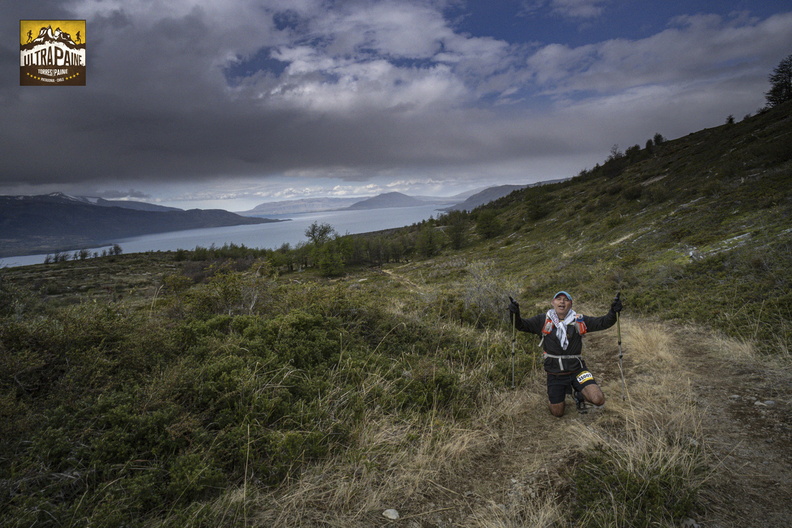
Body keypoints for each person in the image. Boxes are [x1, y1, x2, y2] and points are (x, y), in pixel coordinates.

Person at [508, 291, 622, 417]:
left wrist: (613, 312)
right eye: (558, 299)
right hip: (554, 372)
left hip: (577, 369)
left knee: (598, 399)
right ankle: (564, 394)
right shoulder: (542, 320)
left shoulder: (579, 319)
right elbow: (521, 325)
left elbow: (603, 322)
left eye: (566, 299)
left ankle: (579, 393)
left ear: (570, 304)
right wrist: (514, 313)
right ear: (553, 303)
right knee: (557, 413)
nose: (562, 302)